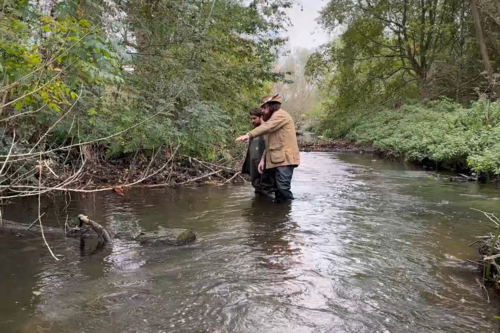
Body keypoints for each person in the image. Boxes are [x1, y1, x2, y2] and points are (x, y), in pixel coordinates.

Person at [236, 94, 300, 203]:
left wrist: (249, 134)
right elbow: (269, 142)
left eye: (264, 108)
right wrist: (263, 159)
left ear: (272, 107)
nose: (263, 111)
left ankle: (288, 214)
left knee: (283, 188)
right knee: (277, 190)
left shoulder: (280, 115)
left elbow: (267, 126)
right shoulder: (274, 118)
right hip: (277, 159)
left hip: (285, 159)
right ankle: (280, 215)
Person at [241, 108, 275, 197]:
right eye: (251, 119)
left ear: (261, 117)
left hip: (263, 166)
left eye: (254, 118)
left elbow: (269, 147)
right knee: (257, 190)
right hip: (254, 168)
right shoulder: (254, 131)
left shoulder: (266, 130)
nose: (252, 121)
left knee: (266, 190)